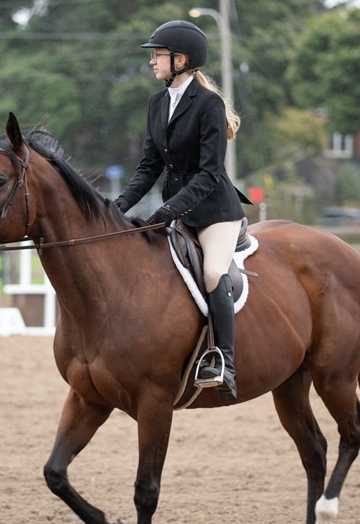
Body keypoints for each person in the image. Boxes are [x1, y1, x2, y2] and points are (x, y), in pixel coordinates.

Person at [114, 20, 249, 401]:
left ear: (181, 60)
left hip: (215, 211)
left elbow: (209, 174)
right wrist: (117, 205)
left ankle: (224, 362)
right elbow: (149, 166)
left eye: (157, 55)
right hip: (176, 207)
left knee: (211, 272)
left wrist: (168, 209)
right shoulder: (157, 103)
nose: (152, 62)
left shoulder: (209, 105)